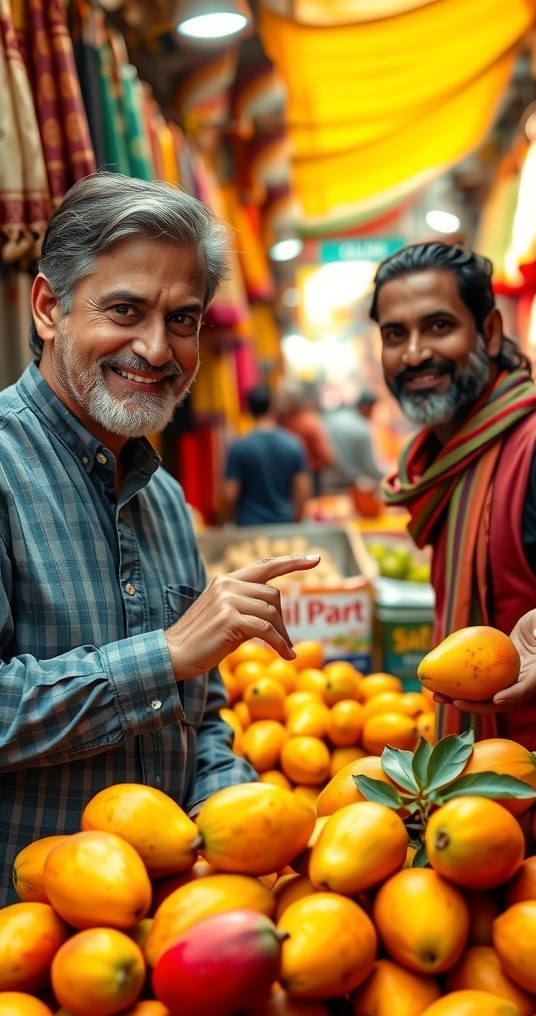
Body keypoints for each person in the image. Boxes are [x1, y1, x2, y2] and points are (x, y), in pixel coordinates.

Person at [0, 171, 321, 906]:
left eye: (183, 319)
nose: (156, 348)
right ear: (50, 308)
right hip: (28, 950)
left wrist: (230, 815)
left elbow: (200, 713)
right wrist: (165, 654)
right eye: (124, 310)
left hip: (170, 934)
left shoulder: (167, 500)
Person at [369, 240, 536, 754]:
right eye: (396, 334)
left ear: (488, 331)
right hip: (480, 805)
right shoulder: (443, 462)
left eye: (439, 326)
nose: (414, 353)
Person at [220, 383, 312, 525]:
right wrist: (297, 520)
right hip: (285, 524)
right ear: (273, 407)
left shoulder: (239, 448)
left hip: (249, 527)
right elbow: (303, 489)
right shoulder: (293, 444)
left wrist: (230, 519)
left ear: (249, 410)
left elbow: (229, 495)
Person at [320, 390, 387, 496]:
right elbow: (371, 467)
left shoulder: (332, 419)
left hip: (328, 485)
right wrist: (389, 475)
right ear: (368, 407)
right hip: (353, 489)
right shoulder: (361, 429)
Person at [277, 381, 335, 497]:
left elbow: (327, 458)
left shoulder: (281, 424)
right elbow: (327, 459)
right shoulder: (308, 423)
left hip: (294, 481)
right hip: (304, 480)